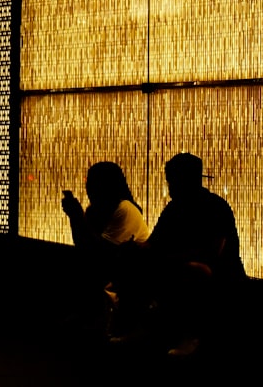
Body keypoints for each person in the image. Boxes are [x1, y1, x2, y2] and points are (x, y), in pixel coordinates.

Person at [142, 152, 246, 357]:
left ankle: (192, 335)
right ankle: (139, 324)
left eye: (174, 181)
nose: (170, 187)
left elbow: (213, 252)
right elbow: (154, 242)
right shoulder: (174, 208)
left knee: (192, 271)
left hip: (221, 273)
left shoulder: (215, 206)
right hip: (177, 263)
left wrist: (168, 259)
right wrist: (135, 250)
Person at [60, 161, 150, 335]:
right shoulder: (95, 211)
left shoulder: (125, 209)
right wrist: (75, 218)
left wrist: (78, 218)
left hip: (131, 270)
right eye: (88, 183)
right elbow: (84, 245)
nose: (89, 188)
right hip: (108, 265)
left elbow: (104, 253)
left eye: (94, 183)